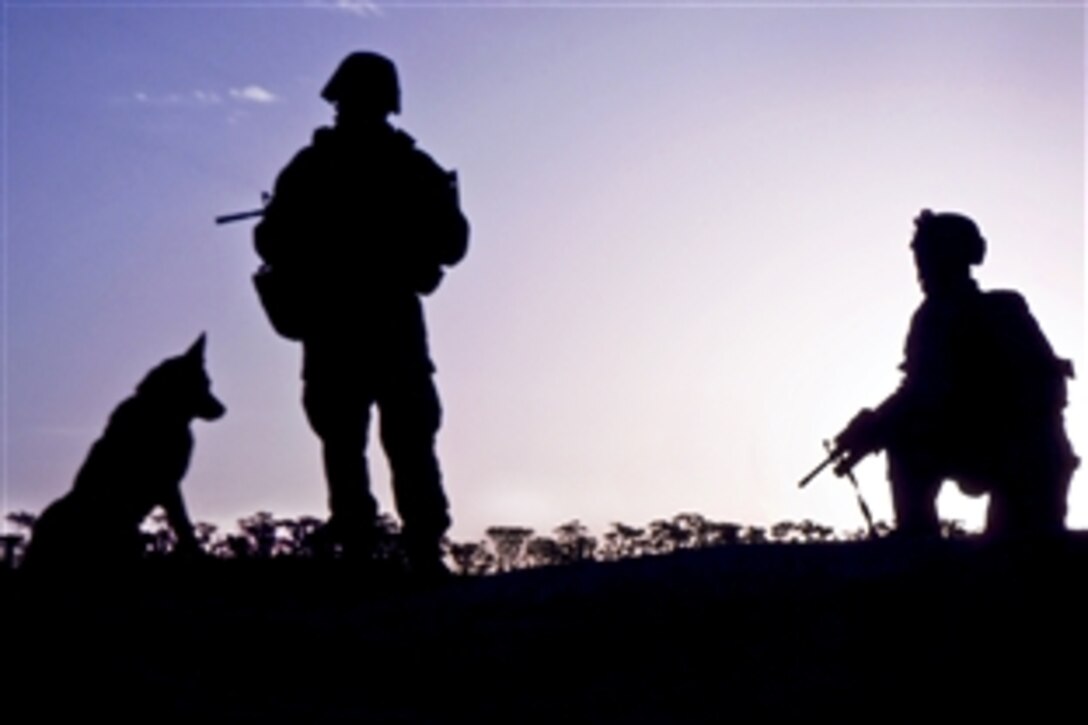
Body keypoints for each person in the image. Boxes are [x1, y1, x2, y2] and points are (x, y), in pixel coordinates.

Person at [253, 52, 469, 575]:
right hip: (372, 324)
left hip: (346, 327)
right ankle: (402, 549)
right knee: (385, 441)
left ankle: (381, 549)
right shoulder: (406, 166)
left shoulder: (311, 168)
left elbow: (270, 240)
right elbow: (452, 243)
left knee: (371, 442)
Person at [831, 210, 1077, 539]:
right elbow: (918, 391)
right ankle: (917, 539)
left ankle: (919, 544)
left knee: (1020, 549)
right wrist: (875, 426)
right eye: (920, 257)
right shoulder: (929, 319)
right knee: (905, 436)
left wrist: (877, 424)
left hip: (1026, 458)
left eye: (931, 256)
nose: (921, 268)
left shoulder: (1004, 310)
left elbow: (929, 392)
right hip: (979, 444)